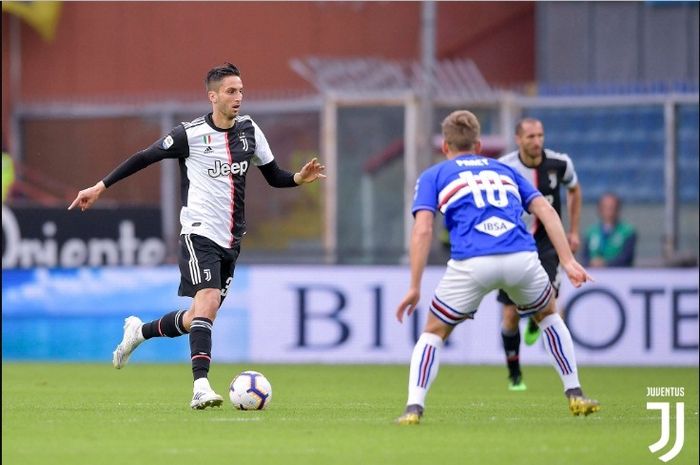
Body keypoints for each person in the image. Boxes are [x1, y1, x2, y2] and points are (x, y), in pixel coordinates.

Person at [68, 63, 325, 410]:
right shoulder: (189, 135)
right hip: (198, 233)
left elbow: (274, 175)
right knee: (206, 302)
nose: (238, 97)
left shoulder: (250, 131)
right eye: (231, 91)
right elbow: (144, 157)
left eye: (241, 91)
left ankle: (138, 333)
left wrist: (298, 178)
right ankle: (200, 387)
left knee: (198, 316)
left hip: (231, 241)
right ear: (213, 96)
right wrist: (100, 187)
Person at [395, 110, 599, 425]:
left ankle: (413, 408)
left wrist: (414, 286)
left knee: (433, 333)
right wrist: (568, 260)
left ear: (445, 147)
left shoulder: (434, 175)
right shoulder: (504, 169)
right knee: (548, 316)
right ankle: (575, 392)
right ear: (478, 145)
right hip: (521, 257)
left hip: (472, 262)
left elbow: (423, 230)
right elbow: (544, 208)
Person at [495, 118, 582, 391]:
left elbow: (574, 190)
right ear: (518, 139)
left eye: (540, 135)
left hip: (546, 242)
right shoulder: (504, 166)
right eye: (531, 136)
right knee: (509, 316)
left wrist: (574, 231)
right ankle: (514, 374)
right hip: (514, 243)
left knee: (550, 301)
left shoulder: (560, 163)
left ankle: (536, 322)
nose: (537, 141)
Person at [582, 192, 636, 267]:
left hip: (618, 275)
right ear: (599, 209)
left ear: (618, 209)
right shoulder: (590, 232)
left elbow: (626, 258)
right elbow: (584, 257)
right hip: (593, 274)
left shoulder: (628, 232)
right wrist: (592, 263)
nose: (609, 212)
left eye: (612, 208)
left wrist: (605, 264)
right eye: (605, 207)